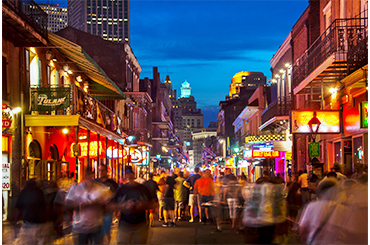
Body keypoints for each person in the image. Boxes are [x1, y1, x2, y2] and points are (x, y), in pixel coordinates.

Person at [65, 170, 113, 245]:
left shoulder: (100, 189)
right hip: (81, 227)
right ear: (84, 176)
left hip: (97, 226)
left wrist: (98, 203)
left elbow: (108, 206)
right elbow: (68, 204)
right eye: (88, 176)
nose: (90, 178)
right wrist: (80, 204)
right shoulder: (76, 188)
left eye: (92, 176)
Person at [112, 167, 156, 244]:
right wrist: (124, 206)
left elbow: (153, 204)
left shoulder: (142, 189)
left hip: (140, 224)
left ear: (134, 174)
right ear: (125, 175)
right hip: (125, 224)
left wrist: (142, 205)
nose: (129, 176)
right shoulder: (121, 189)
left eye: (131, 173)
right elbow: (111, 205)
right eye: (127, 174)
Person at [13, 179, 53, 245]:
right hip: (40, 223)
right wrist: (47, 220)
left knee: (30, 242)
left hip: (28, 222)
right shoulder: (39, 192)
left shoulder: (24, 193)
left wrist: (15, 221)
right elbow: (45, 207)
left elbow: (18, 208)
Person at [97, 164, 118, 244]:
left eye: (103, 170)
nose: (101, 172)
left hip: (108, 211)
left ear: (106, 171)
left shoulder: (112, 183)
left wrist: (116, 209)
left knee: (106, 231)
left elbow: (116, 196)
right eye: (100, 170)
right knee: (98, 233)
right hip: (97, 212)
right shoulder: (96, 182)